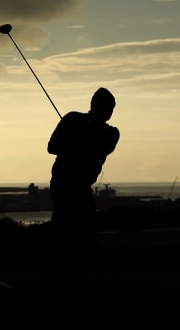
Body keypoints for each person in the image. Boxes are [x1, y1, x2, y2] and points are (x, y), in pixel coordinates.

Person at [47, 87, 120, 257]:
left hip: (80, 184)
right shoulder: (72, 119)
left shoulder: (110, 133)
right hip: (63, 182)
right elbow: (52, 147)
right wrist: (78, 138)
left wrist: (79, 138)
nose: (108, 112)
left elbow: (101, 148)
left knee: (83, 223)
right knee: (68, 223)